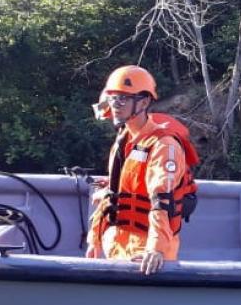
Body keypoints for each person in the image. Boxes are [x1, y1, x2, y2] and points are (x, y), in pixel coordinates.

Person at [86, 65, 200, 275]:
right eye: (113, 98)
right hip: (117, 242)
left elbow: (161, 200)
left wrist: (155, 249)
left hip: (147, 251)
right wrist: (95, 240)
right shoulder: (124, 139)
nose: (116, 105)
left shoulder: (164, 145)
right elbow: (112, 194)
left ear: (144, 102)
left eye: (124, 99)